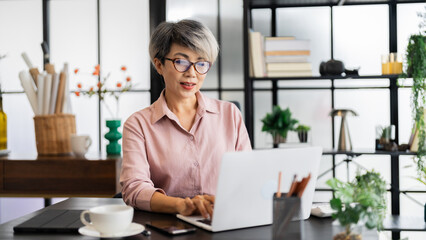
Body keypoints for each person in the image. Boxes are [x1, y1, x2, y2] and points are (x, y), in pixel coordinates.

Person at [120, 19, 251, 219]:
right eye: (181, 61)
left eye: (201, 63)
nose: (192, 73)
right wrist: (182, 206)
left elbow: (248, 176)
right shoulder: (138, 125)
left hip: (225, 222)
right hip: (166, 227)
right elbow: (134, 189)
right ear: (159, 65)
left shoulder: (230, 114)